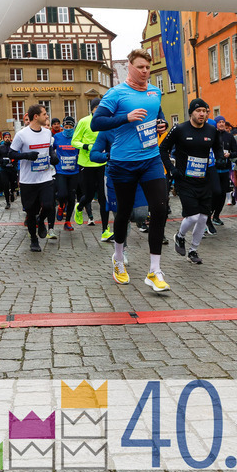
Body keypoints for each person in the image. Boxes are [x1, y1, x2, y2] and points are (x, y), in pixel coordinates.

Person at [91, 49, 170, 292]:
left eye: (148, 67)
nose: (145, 71)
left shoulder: (155, 92)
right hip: (123, 162)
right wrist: (126, 117)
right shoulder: (116, 93)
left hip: (151, 159)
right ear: (130, 67)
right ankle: (118, 259)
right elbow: (96, 123)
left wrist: (162, 124)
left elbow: (158, 115)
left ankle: (154, 271)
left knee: (160, 209)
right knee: (123, 213)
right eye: (140, 67)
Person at [160, 99, 223, 265]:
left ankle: (193, 250)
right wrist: (171, 169)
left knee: (203, 218)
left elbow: (218, 147)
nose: (202, 114)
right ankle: (179, 236)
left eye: (204, 111)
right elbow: (163, 149)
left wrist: (220, 158)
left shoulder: (211, 130)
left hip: (204, 179)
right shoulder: (180, 129)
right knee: (193, 216)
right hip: (184, 179)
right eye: (198, 111)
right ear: (191, 113)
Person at [11, 105, 58, 252]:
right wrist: (26, 155)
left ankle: (41, 220)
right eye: (44, 114)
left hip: (45, 177)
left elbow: (49, 149)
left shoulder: (47, 132)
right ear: (36, 117)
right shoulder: (22, 135)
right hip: (28, 180)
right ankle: (33, 239)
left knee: (49, 205)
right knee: (31, 212)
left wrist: (53, 157)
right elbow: (11, 154)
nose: (47, 116)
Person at [72, 98, 111, 240]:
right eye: (98, 107)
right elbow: (74, 141)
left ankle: (105, 231)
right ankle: (79, 207)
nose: (100, 110)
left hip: (102, 164)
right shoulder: (84, 122)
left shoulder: (107, 122)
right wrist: (87, 146)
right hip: (87, 164)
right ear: (93, 109)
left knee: (103, 198)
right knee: (88, 196)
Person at [210, 115, 237, 227]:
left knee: (222, 194)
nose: (221, 124)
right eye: (219, 122)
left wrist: (229, 154)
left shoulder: (229, 136)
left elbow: (236, 152)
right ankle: (208, 215)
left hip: (225, 169)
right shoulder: (212, 135)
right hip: (214, 169)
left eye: (223, 122)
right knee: (215, 193)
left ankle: (216, 216)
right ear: (215, 124)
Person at [53, 116, 80, 231]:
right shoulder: (57, 137)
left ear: (74, 127)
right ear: (63, 126)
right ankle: (60, 206)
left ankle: (68, 221)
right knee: (62, 194)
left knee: (71, 198)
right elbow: (51, 149)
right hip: (61, 171)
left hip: (74, 171)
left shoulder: (77, 136)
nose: (68, 129)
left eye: (70, 127)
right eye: (66, 127)